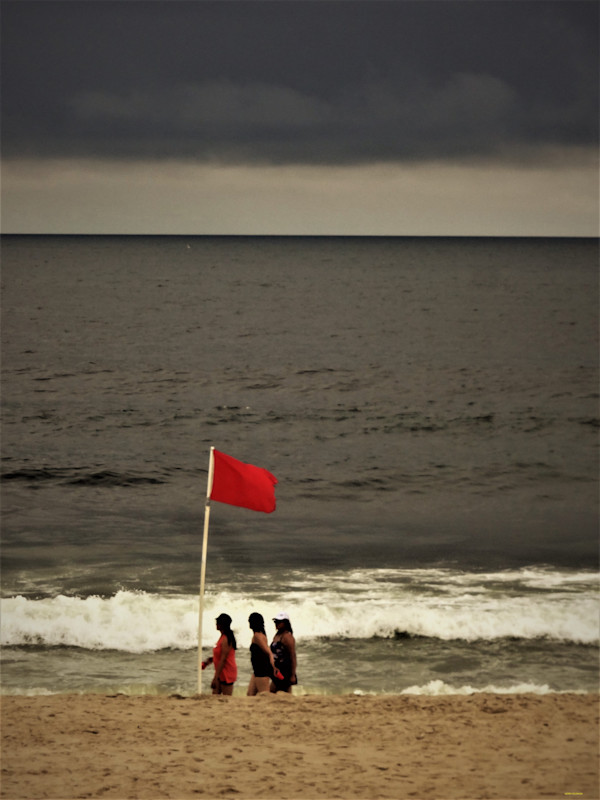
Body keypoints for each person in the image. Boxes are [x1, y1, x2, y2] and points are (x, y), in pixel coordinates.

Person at [203, 613, 237, 695]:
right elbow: (220, 655)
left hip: (227, 672)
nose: (216, 624)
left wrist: (215, 678)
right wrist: (210, 660)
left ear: (223, 624)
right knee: (215, 695)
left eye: (218, 622)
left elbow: (223, 659)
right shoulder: (222, 637)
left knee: (226, 698)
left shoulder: (226, 639)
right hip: (220, 672)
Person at [247, 612, 277, 695]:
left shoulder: (257, 636)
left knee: (264, 694)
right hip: (257, 670)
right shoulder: (261, 634)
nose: (249, 622)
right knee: (250, 694)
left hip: (261, 670)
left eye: (250, 621)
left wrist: (274, 667)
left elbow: (269, 653)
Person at [270, 611, 297, 693]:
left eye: (279, 622)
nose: (276, 623)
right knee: (277, 692)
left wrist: (292, 675)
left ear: (285, 623)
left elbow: (293, 656)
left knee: (280, 692)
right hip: (278, 669)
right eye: (275, 621)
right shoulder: (277, 635)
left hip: (285, 670)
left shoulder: (287, 637)